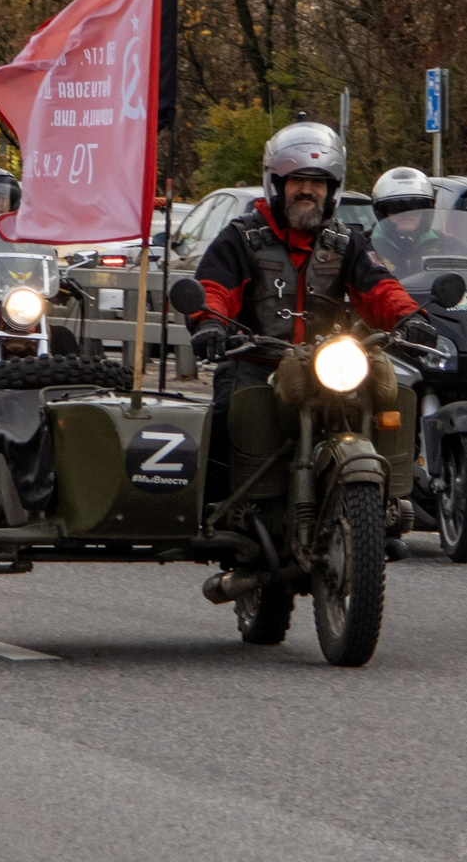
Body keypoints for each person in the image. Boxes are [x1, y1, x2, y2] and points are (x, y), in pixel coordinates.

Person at [183, 122, 433, 548]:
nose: (307, 190)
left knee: (391, 397)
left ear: (332, 190)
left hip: (328, 365)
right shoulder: (241, 239)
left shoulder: (346, 242)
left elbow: (379, 287)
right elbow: (214, 288)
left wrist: (410, 317)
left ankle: (388, 505)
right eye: (297, 180)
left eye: (318, 183)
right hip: (258, 361)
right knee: (226, 418)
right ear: (276, 184)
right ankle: (217, 515)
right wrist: (209, 322)